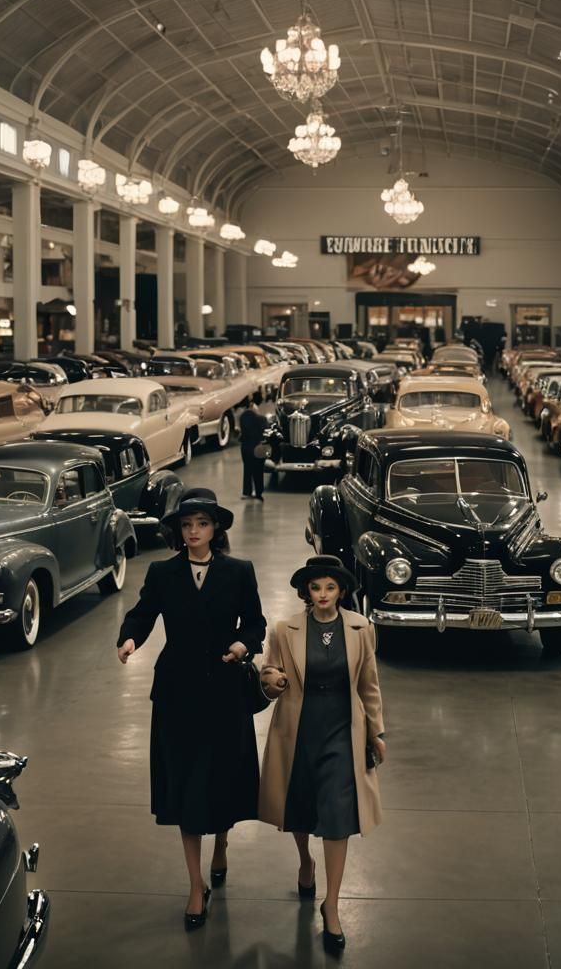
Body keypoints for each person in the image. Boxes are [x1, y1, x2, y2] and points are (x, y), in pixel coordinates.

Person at [116, 487, 266, 932]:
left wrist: (243, 644)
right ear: (178, 531)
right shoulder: (163, 573)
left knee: (221, 780)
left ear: (215, 528)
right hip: (178, 692)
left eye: (201, 524)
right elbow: (143, 614)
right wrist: (129, 639)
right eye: (186, 525)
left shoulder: (239, 572)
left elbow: (254, 621)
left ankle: (221, 841)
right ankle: (195, 885)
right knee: (187, 786)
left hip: (224, 690)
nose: (194, 532)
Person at [259, 555, 386, 953]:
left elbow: (369, 683)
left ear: (342, 591)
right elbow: (268, 672)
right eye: (316, 588)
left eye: (331, 588)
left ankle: (331, 904)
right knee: (298, 807)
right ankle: (305, 862)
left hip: (342, 731)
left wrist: (377, 731)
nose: (324, 595)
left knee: (336, 814)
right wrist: (273, 681)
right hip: (298, 730)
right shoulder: (285, 629)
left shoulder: (361, 628)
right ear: (306, 593)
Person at [238, 396, 269, 501]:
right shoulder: (262, 419)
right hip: (258, 448)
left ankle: (247, 492)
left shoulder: (242, 417)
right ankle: (259, 493)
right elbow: (266, 432)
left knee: (247, 470)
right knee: (258, 471)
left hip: (246, 447)